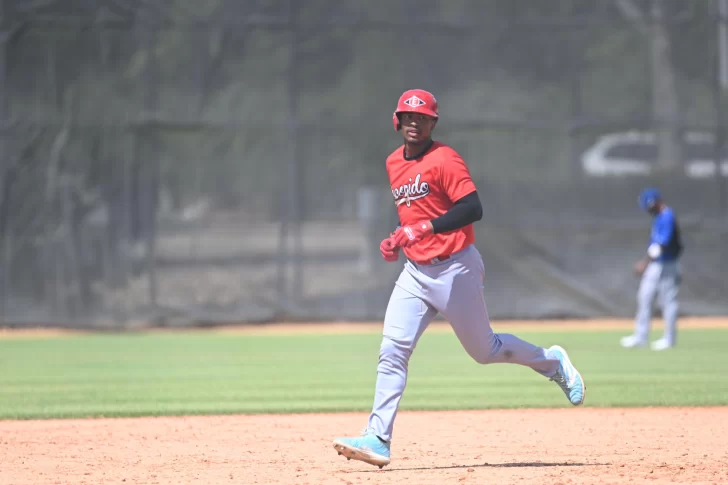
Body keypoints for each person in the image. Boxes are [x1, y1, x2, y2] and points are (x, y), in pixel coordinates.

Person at [332, 89, 586, 469]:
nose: (414, 123)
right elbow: (413, 216)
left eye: (422, 118)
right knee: (392, 351)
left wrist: (422, 229)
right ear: (397, 121)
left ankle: (551, 362)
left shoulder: (444, 159)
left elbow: (472, 208)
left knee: (485, 352)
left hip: (456, 268)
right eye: (408, 116)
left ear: (433, 122)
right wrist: (397, 240)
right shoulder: (392, 163)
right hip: (415, 272)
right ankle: (379, 438)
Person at [620, 188, 683, 351]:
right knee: (644, 297)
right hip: (656, 265)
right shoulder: (659, 217)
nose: (647, 210)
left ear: (654, 202)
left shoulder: (667, 216)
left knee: (668, 301)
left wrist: (644, 263)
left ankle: (669, 339)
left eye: (648, 206)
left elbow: (662, 244)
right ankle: (640, 337)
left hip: (667, 264)